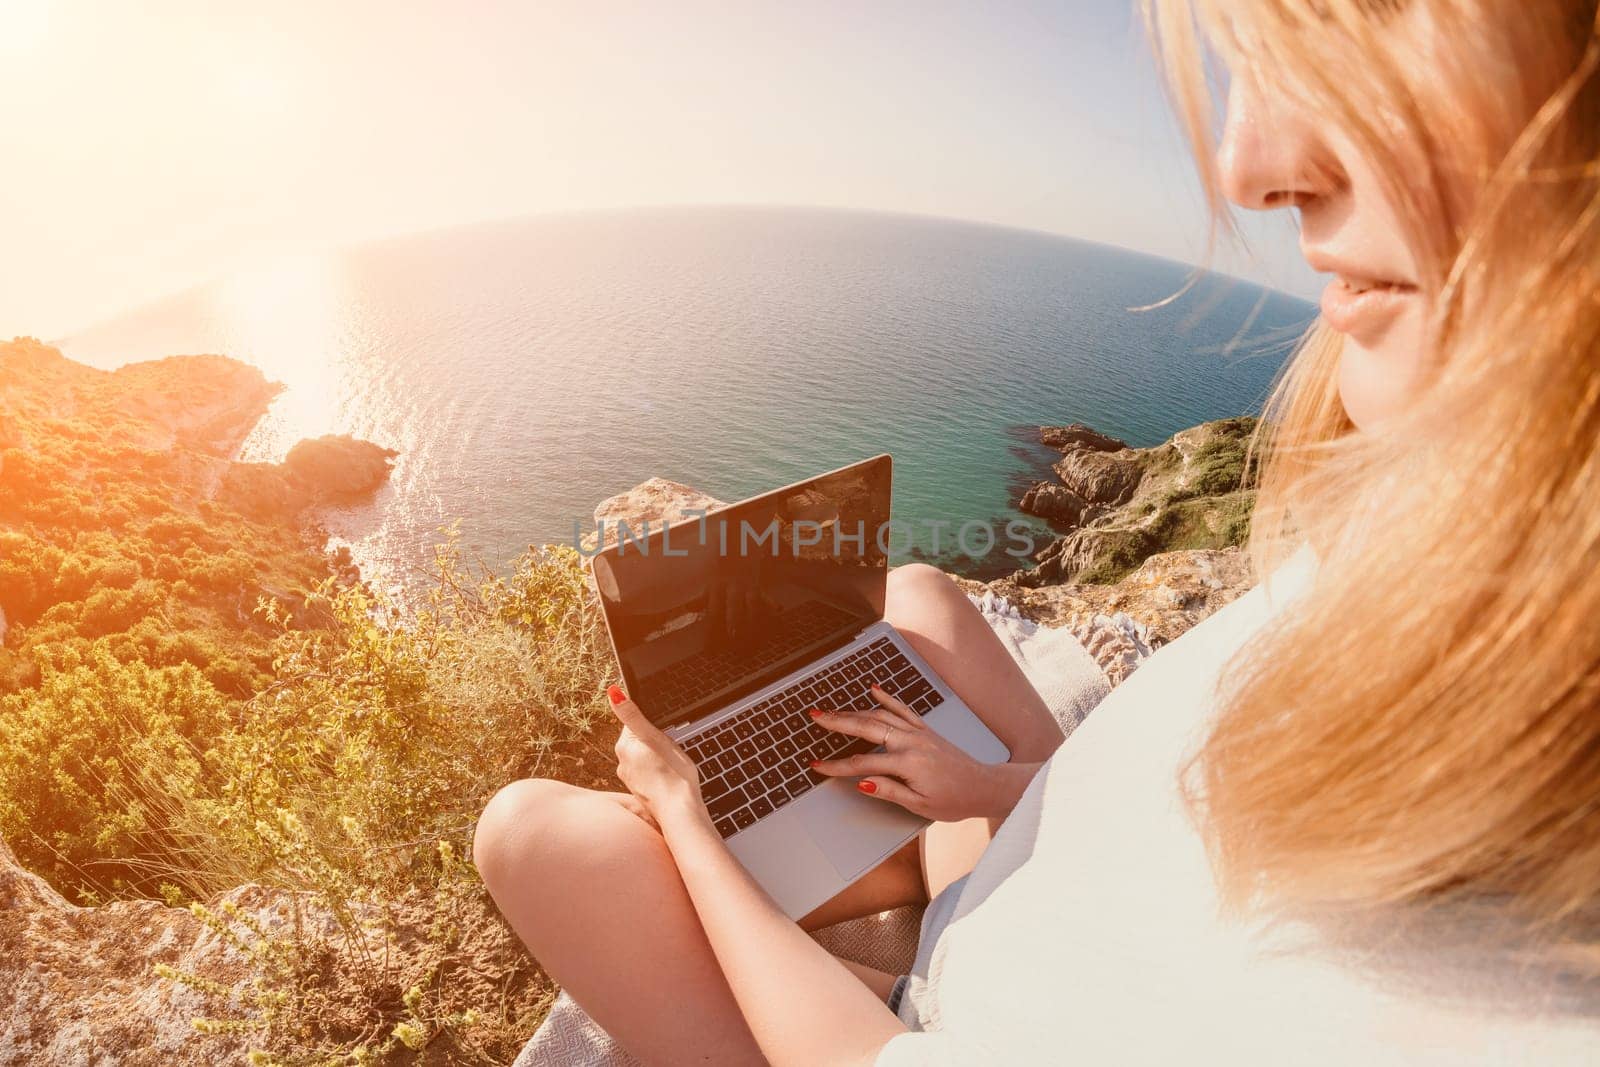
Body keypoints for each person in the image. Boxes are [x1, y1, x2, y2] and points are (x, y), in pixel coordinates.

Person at [473, 1, 1600, 1062]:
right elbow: (1176, 814)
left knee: (530, 830)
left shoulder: (1481, 1002)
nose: (1246, 168)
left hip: (921, 1008)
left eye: (1372, 37)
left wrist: (689, 817)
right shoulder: (1425, 552)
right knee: (912, 594)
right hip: (1014, 876)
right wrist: (975, 787)